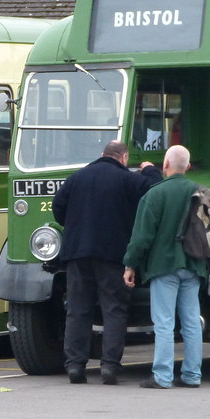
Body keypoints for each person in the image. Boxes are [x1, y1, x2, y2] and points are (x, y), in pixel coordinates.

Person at [51, 140, 162, 385]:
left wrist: (76, 226)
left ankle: (75, 365)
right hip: (113, 255)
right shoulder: (127, 179)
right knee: (114, 309)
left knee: (77, 310)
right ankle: (109, 366)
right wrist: (149, 170)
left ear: (102, 154)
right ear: (124, 158)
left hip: (77, 253)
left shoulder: (76, 178)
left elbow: (58, 208)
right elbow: (157, 189)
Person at [123, 145, 206, 389]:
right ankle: (192, 375)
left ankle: (162, 376)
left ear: (166, 165)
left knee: (164, 322)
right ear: (187, 166)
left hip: (164, 266)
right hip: (194, 264)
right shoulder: (201, 192)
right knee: (192, 322)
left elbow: (142, 237)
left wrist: (130, 264)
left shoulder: (155, 194)